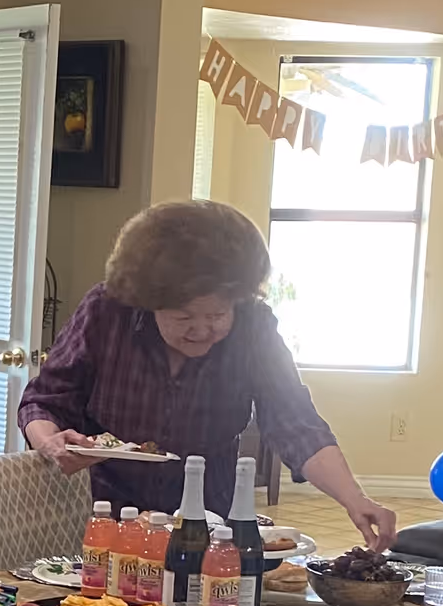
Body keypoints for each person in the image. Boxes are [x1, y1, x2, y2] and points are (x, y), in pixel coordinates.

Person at [20, 200, 397, 550]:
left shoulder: (254, 328)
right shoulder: (107, 312)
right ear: (149, 303)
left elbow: (295, 423)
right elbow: (44, 400)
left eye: (218, 315)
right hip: (102, 517)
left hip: (208, 523)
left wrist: (354, 498)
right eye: (183, 317)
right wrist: (51, 442)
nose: (202, 330)